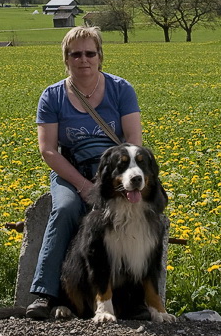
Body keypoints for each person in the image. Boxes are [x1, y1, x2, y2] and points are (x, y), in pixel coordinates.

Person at [26, 25, 142, 319]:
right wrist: (81, 185)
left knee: (138, 214)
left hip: (115, 173)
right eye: (75, 54)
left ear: (100, 56)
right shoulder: (52, 96)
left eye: (90, 53)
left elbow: (134, 142)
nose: (83, 59)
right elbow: (48, 150)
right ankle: (44, 294)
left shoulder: (121, 89)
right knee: (64, 209)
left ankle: (139, 299)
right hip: (71, 171)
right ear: (66, 59)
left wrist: (108, 184)